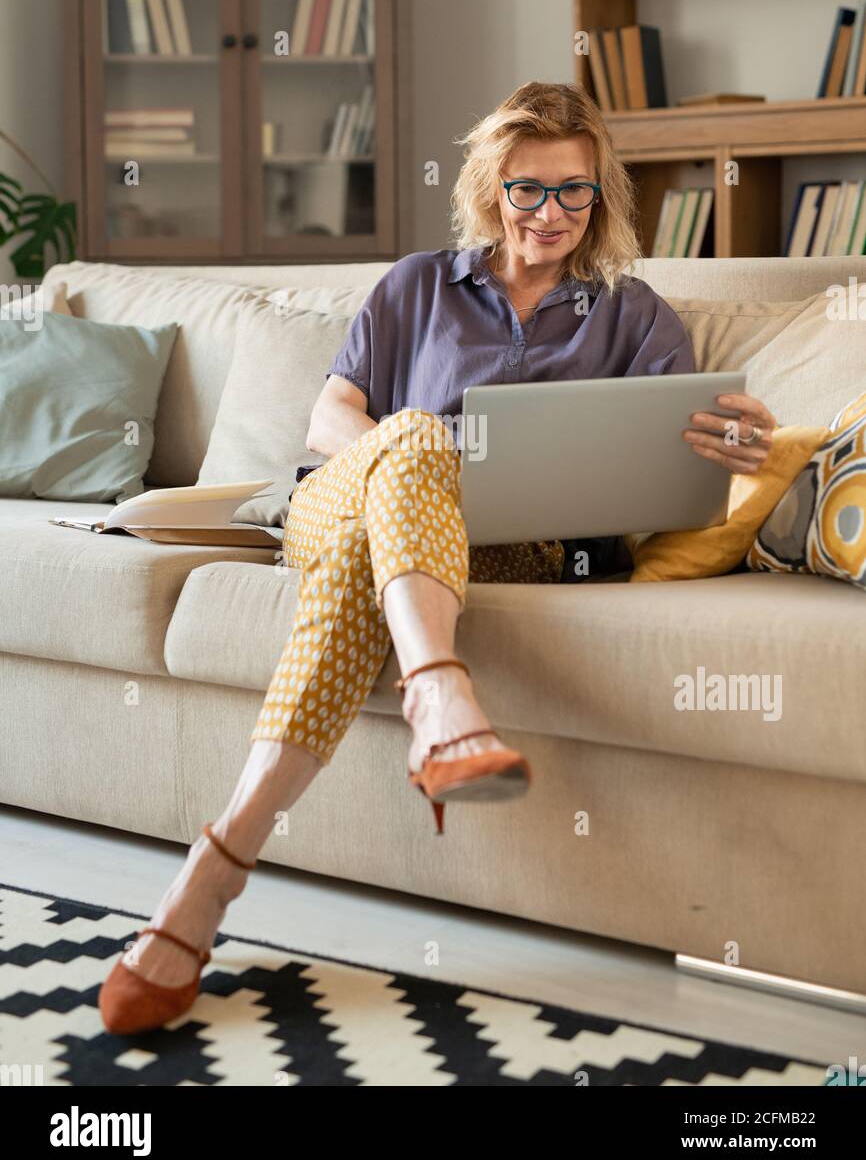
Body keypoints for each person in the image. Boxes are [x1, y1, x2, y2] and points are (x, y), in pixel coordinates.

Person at [99, 81, 778, 1034]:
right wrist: (411, 455)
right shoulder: (417, 283)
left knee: (360, 583)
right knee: (413, 435)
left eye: (574, 192)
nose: (550, 214)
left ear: (602, 194)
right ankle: (439, 691)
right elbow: (333, 417)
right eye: (527, 190)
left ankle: (207, 883)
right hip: (339, 505)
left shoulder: (632, 315)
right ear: (490, 187)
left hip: (511, 551)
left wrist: (739, 443)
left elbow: (676, 444)